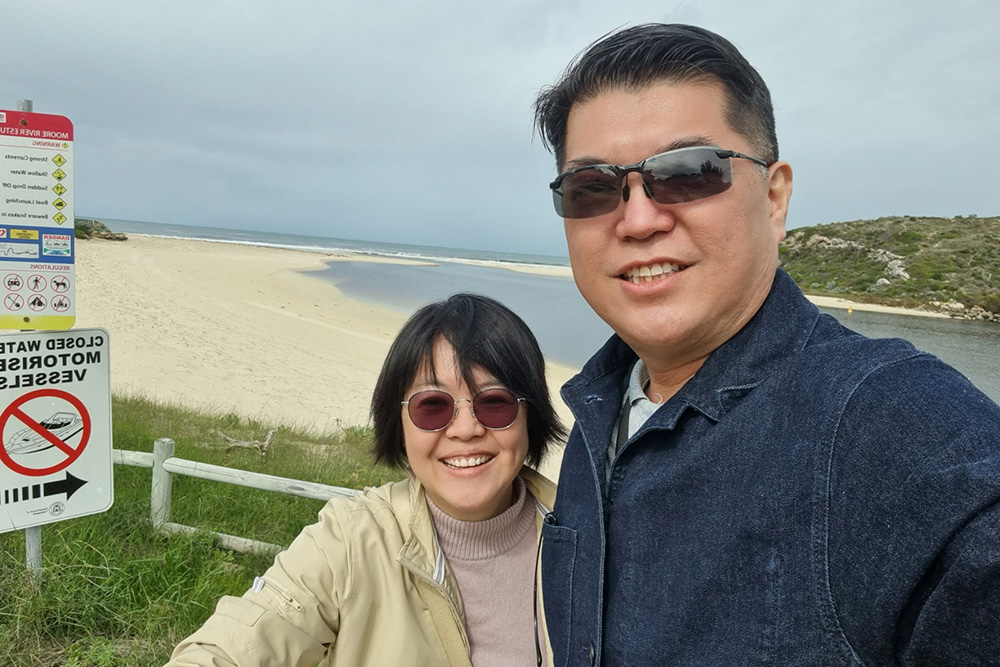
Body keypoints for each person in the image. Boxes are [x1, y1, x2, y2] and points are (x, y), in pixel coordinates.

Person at [533, 23, 1000, 667]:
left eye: (688, 172)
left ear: (775, 199)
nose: (638, 220)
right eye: (592, 187)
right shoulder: (599, 407)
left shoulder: (894, 426)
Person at [166, 293, 565, 666]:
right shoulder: (351, 540)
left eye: (494, 403)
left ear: (530, 416)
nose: (465, 429)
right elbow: (236, 646)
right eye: (432, 406)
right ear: (399, 423)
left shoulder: (581, 534)